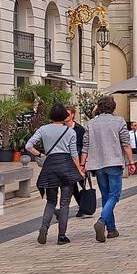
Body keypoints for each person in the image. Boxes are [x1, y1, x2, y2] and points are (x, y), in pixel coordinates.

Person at [24, 103, 83, 245]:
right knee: (64, 203)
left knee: (51, 201)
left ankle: (44, 227)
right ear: (64, 115)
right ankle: (61, 236)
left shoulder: (43, 129)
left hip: (50, 166)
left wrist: (40, 154)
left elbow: (28, 146)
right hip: (67, 167)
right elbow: (74, 154)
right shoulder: (70, 132)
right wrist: (79, 170)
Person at [80, 95, 135, 243]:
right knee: (114, 195)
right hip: (114, 162)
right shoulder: (119, 121)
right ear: (113, 107)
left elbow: (85, 147)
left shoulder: (90, 123)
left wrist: (82, 164)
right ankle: (102, 220)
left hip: (97, 165)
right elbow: (126, 144)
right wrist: (131, 162)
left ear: (99, 107)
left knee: (106, 195)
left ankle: (111, 229)